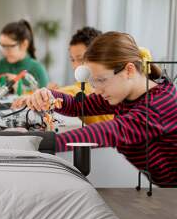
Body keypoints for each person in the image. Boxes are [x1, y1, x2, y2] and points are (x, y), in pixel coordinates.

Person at [13, 31, 177, 185]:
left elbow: (109, 132)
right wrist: (49, 96)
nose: (97, 91)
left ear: (129, 70)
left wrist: (35, 142)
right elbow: (78, 105)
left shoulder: (161, 103)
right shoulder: (126, 93)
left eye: (102, 80)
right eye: (94, 83)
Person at [47, 27, 113, 125]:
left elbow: (75, 91)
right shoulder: (82, 85)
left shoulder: (94, 87)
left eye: (81, 59)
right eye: (72, 60)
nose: (75, 66)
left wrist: (47, 94)